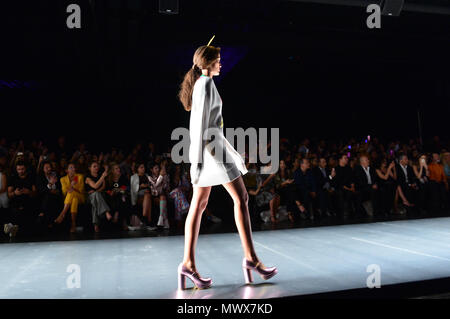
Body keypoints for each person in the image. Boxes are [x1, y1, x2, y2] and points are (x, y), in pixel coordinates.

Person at [176, 42, 277, 290]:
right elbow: (200, 128)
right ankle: (251, 260)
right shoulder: (206, 85)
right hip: (211, 154)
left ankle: (188, 264)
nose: (221, 63)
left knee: (200, 206)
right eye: (218, 59)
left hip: (213, 151)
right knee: (240, 198)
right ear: (208, 62)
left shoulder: (203, 84)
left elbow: (209, 127)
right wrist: (198, 164)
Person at [4, 161, 37, 237]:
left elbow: (35, 193)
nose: (20, 171)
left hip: (28, 202)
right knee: (15, 211)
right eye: (19, 169)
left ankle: (11, 226)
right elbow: (9, 194)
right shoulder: (13, 178)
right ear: (16, 169)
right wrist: (15, 193)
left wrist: (29, 192)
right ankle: (12, 227)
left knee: (26, 212)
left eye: (22, 169)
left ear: (26, 169)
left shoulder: (31, 177)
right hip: (16, 202)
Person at [56, 162, 85, 233]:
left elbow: (81, 190)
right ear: (67, 170)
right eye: (71, 168)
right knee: (74, 199)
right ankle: (73, 224)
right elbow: (64, 192)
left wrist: (72, 187)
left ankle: (62, 214)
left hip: (80, 197)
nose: (73, 169)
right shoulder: (63, 179)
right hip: (69, 198)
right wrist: (71, 186)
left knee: (72, 193)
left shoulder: (79, 176)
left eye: (74, 167)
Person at [36, 161, 63, 230]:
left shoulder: (55, 175)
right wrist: (50, 184)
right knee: (48, 196)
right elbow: (41, 190)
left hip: (56, 196)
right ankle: (44, 216)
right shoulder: (40, 177)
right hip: (44, 197)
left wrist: (55, 191)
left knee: (53, 197)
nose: (49, 169)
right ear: (43, 169)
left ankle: (47, 217)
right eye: (46, 168)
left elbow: (59, 188)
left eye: (49, 167)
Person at [85, 161, 111, 233]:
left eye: (97, 166)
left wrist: (97, 191)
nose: (96, 168)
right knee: (95, 196)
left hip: (99, 195)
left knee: (95, 200)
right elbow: (95, 186)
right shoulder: (88, 177)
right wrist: (103, 177)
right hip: (89, 197)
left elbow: (103, 186)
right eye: (94, 166)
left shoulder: (100, 175)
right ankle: (106, 212)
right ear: (90, 168)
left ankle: (96, 224)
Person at [130, 162, 157, 230]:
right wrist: (140, 186)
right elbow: (133, 189)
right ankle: (148, 221)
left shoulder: (147, 176)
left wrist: (148, 186)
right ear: (137, 169)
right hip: (138, 196)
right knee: (147, 196)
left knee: (147, 195)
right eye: (141, 167)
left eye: (143, 167)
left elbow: (152, 185)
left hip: (147, 194)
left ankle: (144, 219)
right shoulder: (134, 177)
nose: (143, 169)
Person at [105, 162, 131, 231]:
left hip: (122, 195)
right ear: (112, 171)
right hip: (111, 197)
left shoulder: (123, 177)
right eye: (116, 169)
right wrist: (111, 192)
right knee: (114, 197)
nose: (118, 170)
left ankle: (119, 216)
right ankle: (116, 214)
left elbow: (127, 187)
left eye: (118, 168)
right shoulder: (109, 179)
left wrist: (120, 189)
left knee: (121, 197)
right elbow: (106, 190)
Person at [148, 163, 170, 229]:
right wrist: (160, 177)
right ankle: (165, 220)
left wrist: (164, 177)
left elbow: (166, 187)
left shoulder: (164, 176)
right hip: (154, 196)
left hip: (163, 195)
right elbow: (154, 186)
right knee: (162, 197)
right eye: (155, 168)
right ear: (151, 170)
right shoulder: (149, 177)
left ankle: (161, 218)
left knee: (163, 197)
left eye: (158, 168)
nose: (157, 170)